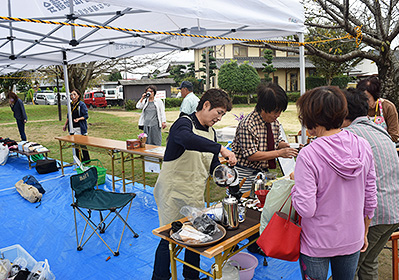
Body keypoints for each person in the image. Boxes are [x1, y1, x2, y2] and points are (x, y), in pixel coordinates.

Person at [291, 86, 377, 280]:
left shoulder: (309, 154)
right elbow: (370, 198)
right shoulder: (362, 145)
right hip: (352, 237)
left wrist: (295, 189)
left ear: (310, 116)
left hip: (317, 242)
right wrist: (364, 232)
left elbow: (306, 209)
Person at [152, 88, 237, 280]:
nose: (219, 118)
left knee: (197, 235)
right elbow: (187, 140)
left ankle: (191, 276)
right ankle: (159, 277)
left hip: (193, 192)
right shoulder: (183, 124)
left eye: (223, 115)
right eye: (219, 113)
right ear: (206, 105)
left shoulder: (212, 133)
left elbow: (212, 163)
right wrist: (221, 148)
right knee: (169, 237)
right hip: (172, 192)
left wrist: (223, 175)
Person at [231, 83, 298, 255]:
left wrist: (289, 147)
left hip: (263, 173)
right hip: (244, 173)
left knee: (260, 209)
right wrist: (279, 152)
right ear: (262, 108)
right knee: (240, 208)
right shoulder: (248, 124)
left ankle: (255, 244)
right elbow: (250, 154)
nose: (277, 115)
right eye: (274, 111)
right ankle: (232, 245)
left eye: (279, 111)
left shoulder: (274, 123)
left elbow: (275, 142)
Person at [342, 88, 399, 280]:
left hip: (376, 213)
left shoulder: (351, 136)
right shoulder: (378, 129)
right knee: (369, 262)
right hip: (394, 210)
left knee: (350, 267)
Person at [357, 76, 399, 142]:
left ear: (375, 96)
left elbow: (394, 136)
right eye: (361, 98)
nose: (364, 102)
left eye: (367, 98)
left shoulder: (388, 107)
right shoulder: (356, 108)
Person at [62, 89, 90, 162]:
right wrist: (65, 125)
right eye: (71, 94)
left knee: (82, 144)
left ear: (78, 95)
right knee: (75, 144)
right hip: (72, 127)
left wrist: (79, 119)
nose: (73, 96)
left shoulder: (81, 104)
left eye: (74, 94)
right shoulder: (70, 105)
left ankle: (86, 159)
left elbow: (86, 116)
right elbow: (68, 116)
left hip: (80, 127)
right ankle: (77, 159)